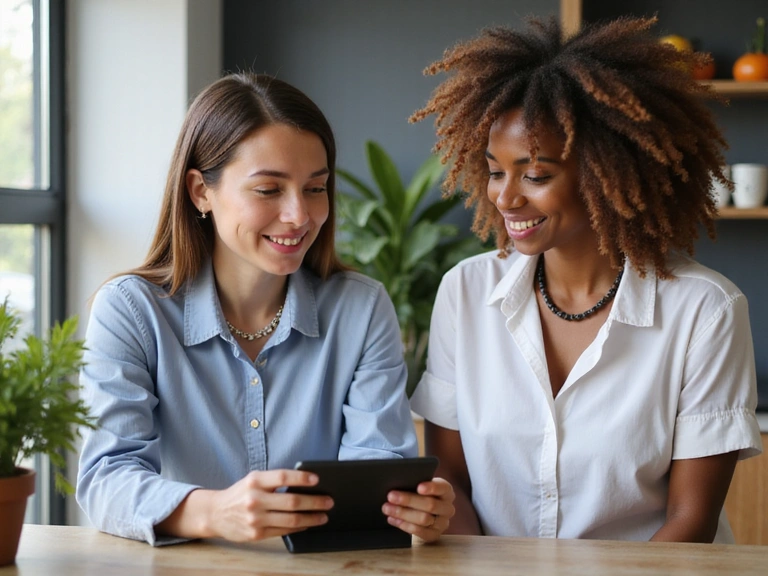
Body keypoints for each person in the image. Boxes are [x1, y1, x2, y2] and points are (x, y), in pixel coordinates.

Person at [408, 16, 762, 543]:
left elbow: (690, 523)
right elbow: (450, 478)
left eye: (535, 175)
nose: (505, 198)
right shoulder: (466, 292)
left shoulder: (704, 311)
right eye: (496, 171)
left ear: (604, 171)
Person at [76, 72, 454, 546]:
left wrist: (411, 509)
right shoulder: (131, 311)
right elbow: (106, 479)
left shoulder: (361, 308)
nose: (300, 215)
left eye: (315, 188)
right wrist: (213, 512)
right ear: (200, 192)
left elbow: (378, 467)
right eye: (269, 189)